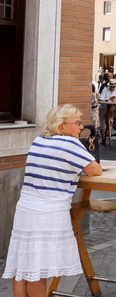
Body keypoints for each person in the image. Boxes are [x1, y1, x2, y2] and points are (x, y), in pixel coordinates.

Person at [2, 105, 102, 296]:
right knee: (38, 272)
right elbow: (95, 170)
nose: (81, 127)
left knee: (22, 269)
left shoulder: (39, 140)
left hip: (26, 209)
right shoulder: (70, 144)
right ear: (62, 126)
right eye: (77, 123)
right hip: (48, 213)